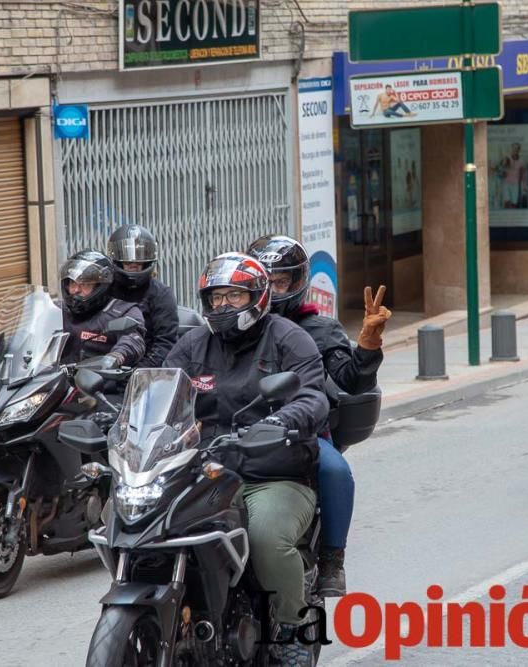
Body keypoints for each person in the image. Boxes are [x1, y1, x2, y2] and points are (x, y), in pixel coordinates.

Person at [164, 252, 328, 666]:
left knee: (266, 539)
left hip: (271, 473)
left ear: (257, 297)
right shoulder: (193, 343)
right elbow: (161, 390)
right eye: (216, 297)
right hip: (205, 471)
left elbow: (312, 395)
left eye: (233, 296)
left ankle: (293, 627)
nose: (222, 306)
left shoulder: (289, 338)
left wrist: (282, 420)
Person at [247, 235, 391, 598]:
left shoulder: (319, 329)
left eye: (282, 281)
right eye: (267, 281)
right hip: (239, 430)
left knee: (334, 470)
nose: (274, 289)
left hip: (302, 432)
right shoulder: (238, 326)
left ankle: (332, 559)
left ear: (298, 283)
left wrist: (369, 346)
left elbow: (351, 380)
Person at [106, 224, 179, 368]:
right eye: (127, 256)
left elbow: (165, 343)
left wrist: (138, 374)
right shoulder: (104, 289)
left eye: (139, 255)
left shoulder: (162, 294)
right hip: (106, 365)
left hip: (145, 371)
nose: (133, 262)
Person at [58, 250, 146, 368]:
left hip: (102, 381)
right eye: (72, 283)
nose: (76, 290)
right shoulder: (58, 311)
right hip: (57, 381)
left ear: (100, 286)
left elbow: (133, 341)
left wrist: (116, 357)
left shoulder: (124, 312)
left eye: (84, 284)